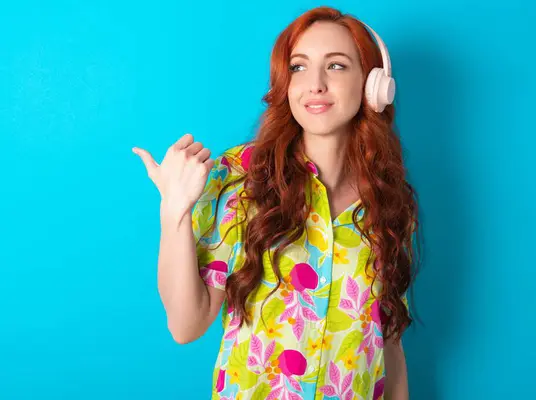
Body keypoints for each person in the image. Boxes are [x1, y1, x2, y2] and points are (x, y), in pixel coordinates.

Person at [133, 6, 420, 400]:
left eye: (336, 66)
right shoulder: (240, 178)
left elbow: (389, 347)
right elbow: (186, 325)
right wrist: (175, 212)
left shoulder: (389, 201)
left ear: (373, 85)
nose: (315, 84)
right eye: (299, 67)